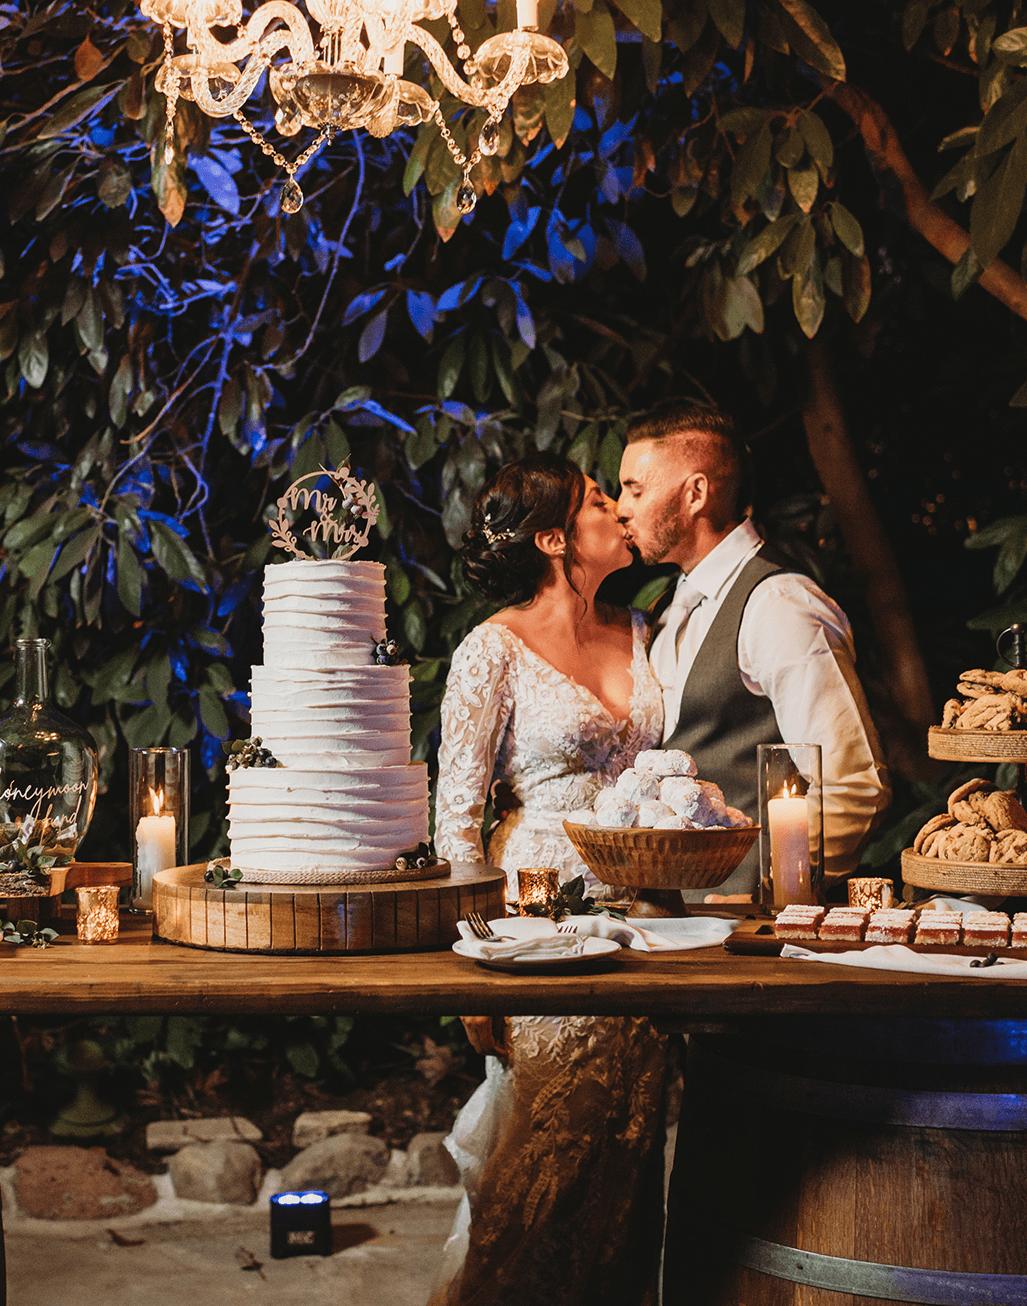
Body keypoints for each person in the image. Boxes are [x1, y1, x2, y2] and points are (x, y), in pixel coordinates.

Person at [429, 451, 668, 1306]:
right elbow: (456, 816)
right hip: (538, 922)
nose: (619, 510)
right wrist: (475, 964)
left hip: (646, 918)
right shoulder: (491, 649)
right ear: (554, 537)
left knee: (627, 1154)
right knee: (549, 1148)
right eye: (601, 500)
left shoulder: (643, 630)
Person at [616, 400, 890, 896]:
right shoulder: (669, 602)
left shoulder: (778, 605)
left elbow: (854, 786)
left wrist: (766, 891)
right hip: (668, 922)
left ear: (696, 493)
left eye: (634, 488)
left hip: (746, 928)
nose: (621, 507)